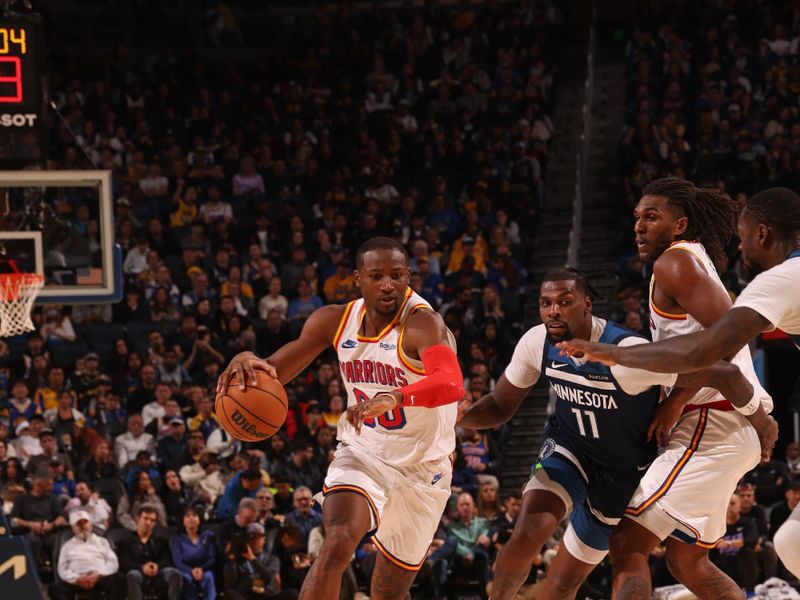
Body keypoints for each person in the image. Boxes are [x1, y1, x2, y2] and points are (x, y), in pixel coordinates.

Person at [458, 268, 761, 599]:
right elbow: (501, 404)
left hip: (623, 472)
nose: (553, 310)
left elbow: (717, 372)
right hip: (570, 449)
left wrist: (751, 417)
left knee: (562, 584)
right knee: (530, 531)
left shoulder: (625, 352)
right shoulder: (536, 342)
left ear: (587, 305)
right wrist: (462, 418)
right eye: (545, 303)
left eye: (564, 301)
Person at [558, 185, 799, 583]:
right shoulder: (689, 261)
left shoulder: (674, 264)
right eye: (637, 217)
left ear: (680, 225)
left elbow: (725, 343)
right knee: (687, 561)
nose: (639, 226)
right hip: (723, 420)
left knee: (627, 543)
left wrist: (670, 398)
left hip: (714, 421)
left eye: (652, 217)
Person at [219, 237, 464, 600]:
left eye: (397, 275)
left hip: (424, 470)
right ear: (356, 278)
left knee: (388, 594)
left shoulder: (423, 323)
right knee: (337, 541)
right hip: (363, 453)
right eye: (376, 275)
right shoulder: (335, 320)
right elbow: (274, 371)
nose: (387, 284)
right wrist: (246, 359)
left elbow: (451, 382)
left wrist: (395, 396)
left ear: (408, 277)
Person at [52, 509, 122, 600]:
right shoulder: (67, 546)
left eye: (85, 522)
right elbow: (62, 569)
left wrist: (99, 575)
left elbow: (113, 562)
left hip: (100, 579)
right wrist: (77, 579)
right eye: (78, 524)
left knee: (119, 578)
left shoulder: (102, 542)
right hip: (77, 582)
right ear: (73, 528)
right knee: (54, 588)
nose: (83, 526)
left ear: (91, 524)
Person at [119, 505, 183, 600]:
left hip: (158, 573)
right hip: (138, 573)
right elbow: (124, 563)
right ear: (137, 519)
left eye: (152, 520)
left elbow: (168, 560)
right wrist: (142, 568)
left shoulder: (161, 541)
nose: (148, 523)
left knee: (175, 574)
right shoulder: (127, 541)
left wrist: (157, 566)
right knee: (132, 574)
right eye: (145, 518)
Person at [224, 522, 295, 599]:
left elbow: (268, 577)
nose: (254, 541)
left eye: (257, 538)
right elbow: (230, 585)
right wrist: (232, 560)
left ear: (264, 540)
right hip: (247, 596)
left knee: (292, 594)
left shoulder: (272, 559)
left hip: (267, 595)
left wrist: (253, 559)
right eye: (251, 538)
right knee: (230, 593)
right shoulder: (238, 560)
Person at [710, 494, 759, 592]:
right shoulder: (717, 526)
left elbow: (753, 539)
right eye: (727, 504)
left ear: (740, 506)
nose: (729, 507)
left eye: (732, 503)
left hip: (741, 563)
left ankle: (750, 591)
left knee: (748, 551)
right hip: (722, 563)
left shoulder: (748, 523)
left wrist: (729, 543)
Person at [170, 506, 217, 600]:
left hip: (205, 569)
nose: (191, 518)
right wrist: (191, 571)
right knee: (186, 579)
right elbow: (178, 562)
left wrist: (201, 569)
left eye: (194, 515)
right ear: (183, 521)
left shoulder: (208, 536)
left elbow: (212, 558)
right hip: (186, 570)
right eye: (187, 516)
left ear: (199, 520)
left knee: (209, 577)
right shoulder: (177, 539)